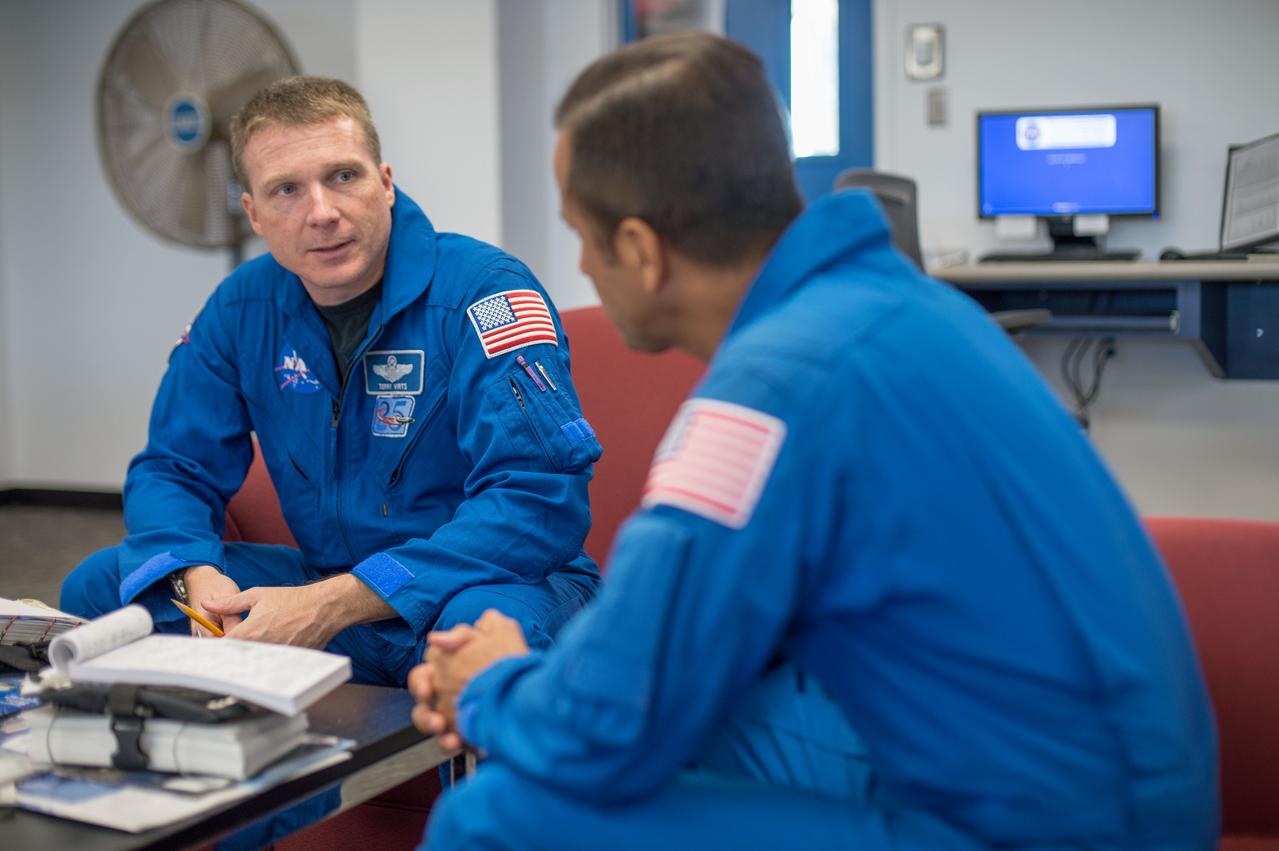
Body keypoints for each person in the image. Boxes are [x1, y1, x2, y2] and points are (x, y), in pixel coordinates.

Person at [409, 32, 1218, 850]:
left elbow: (607, 727)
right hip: (1106, 784)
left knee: (497, 813)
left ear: (640, 251)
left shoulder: (769, 391)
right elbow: (659, 648)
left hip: (1046, 829)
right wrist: (546, 687)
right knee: (678, 724)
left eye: (580, 234)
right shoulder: (903, 307)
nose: (577, 262)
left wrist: (492, 685)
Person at [60, 76, 602, 689]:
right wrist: (195, 578)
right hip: (326, 578)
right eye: (286, 190)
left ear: (386, 182)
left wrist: (336, 602)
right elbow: (174, 468)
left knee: (480, 636)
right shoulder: (241, 309)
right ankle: (258, 779)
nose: (322, 213)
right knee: (103, 590)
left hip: (481, 585)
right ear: (254, 213)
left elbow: (538, 497)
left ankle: (473, 785)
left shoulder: (485, 292)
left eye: (343, 176)